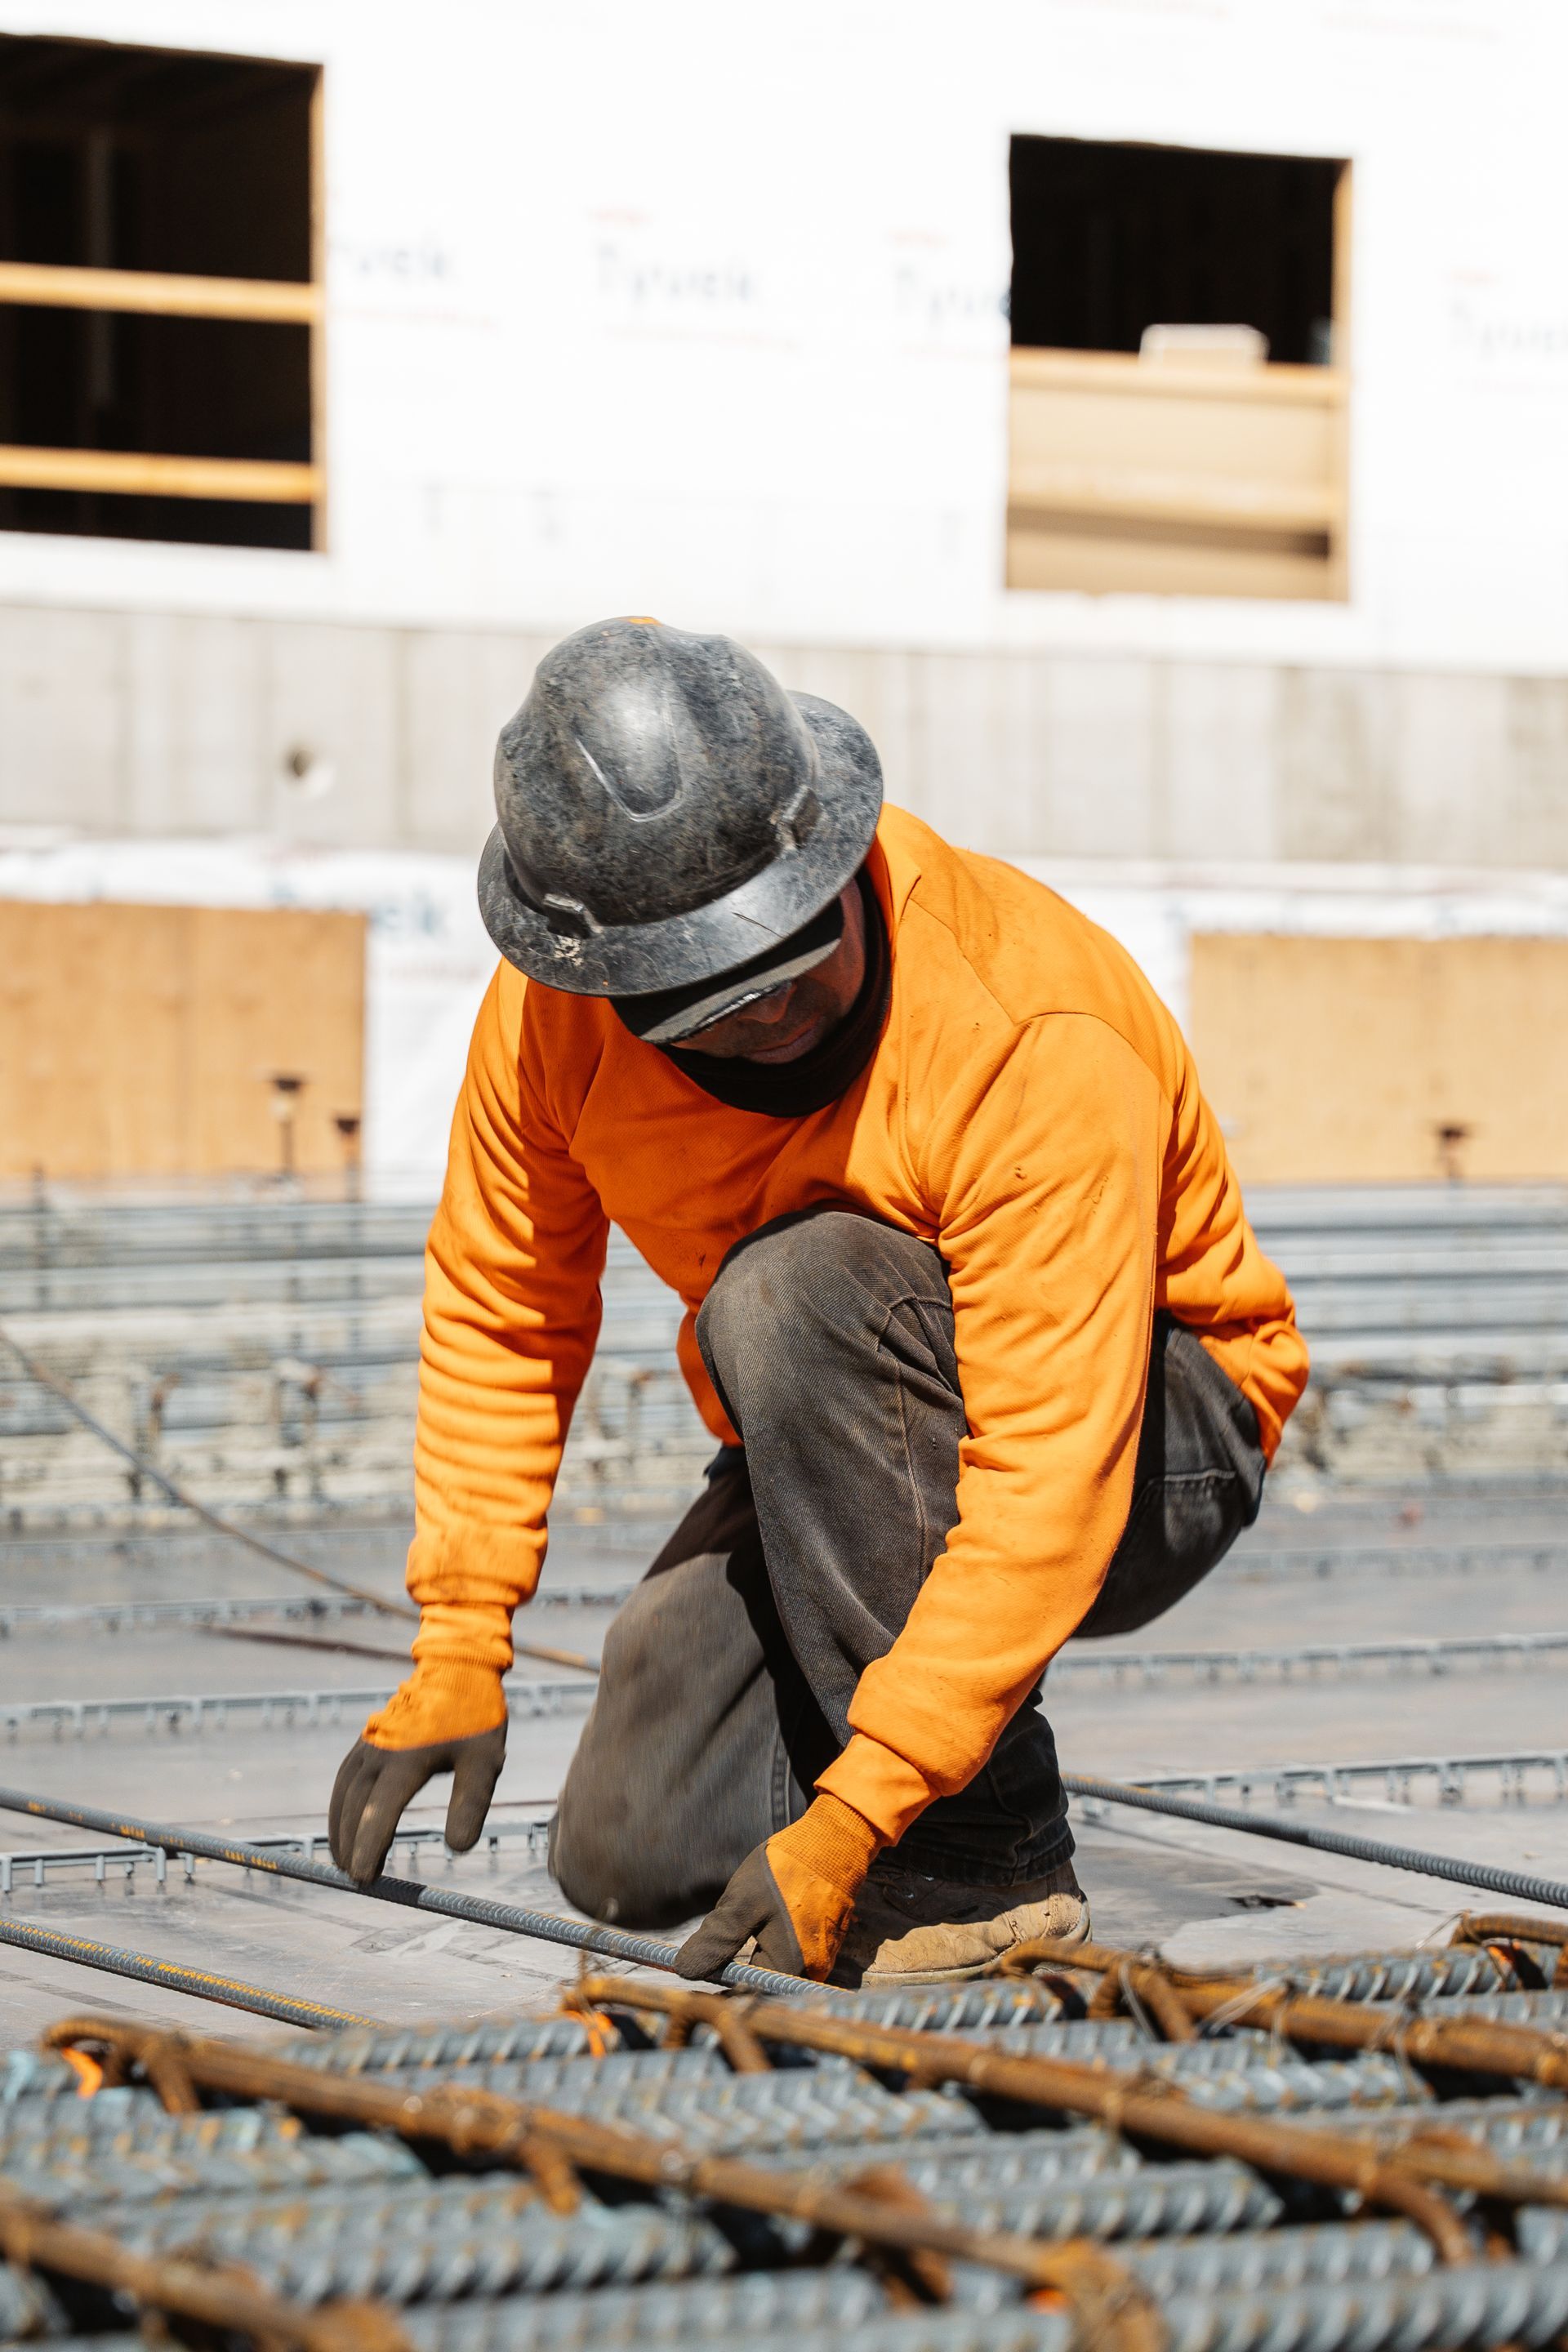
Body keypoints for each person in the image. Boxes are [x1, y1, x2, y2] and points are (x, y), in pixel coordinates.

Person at [327, 617, 1307, 1987]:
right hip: (848, 1421)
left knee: (790, 1287)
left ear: (834, 857)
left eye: (795, 951)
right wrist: (457, 1644)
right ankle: (898, 1752)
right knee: (629, 1849)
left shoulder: (1022, 1031)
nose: (777, 1009)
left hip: (1157, 1434)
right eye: (715, 1000)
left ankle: (986, 1855)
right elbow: (506, 1304)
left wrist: (870, 1813)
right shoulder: (552, 1026)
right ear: (617, 987)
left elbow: (1046, 1467)